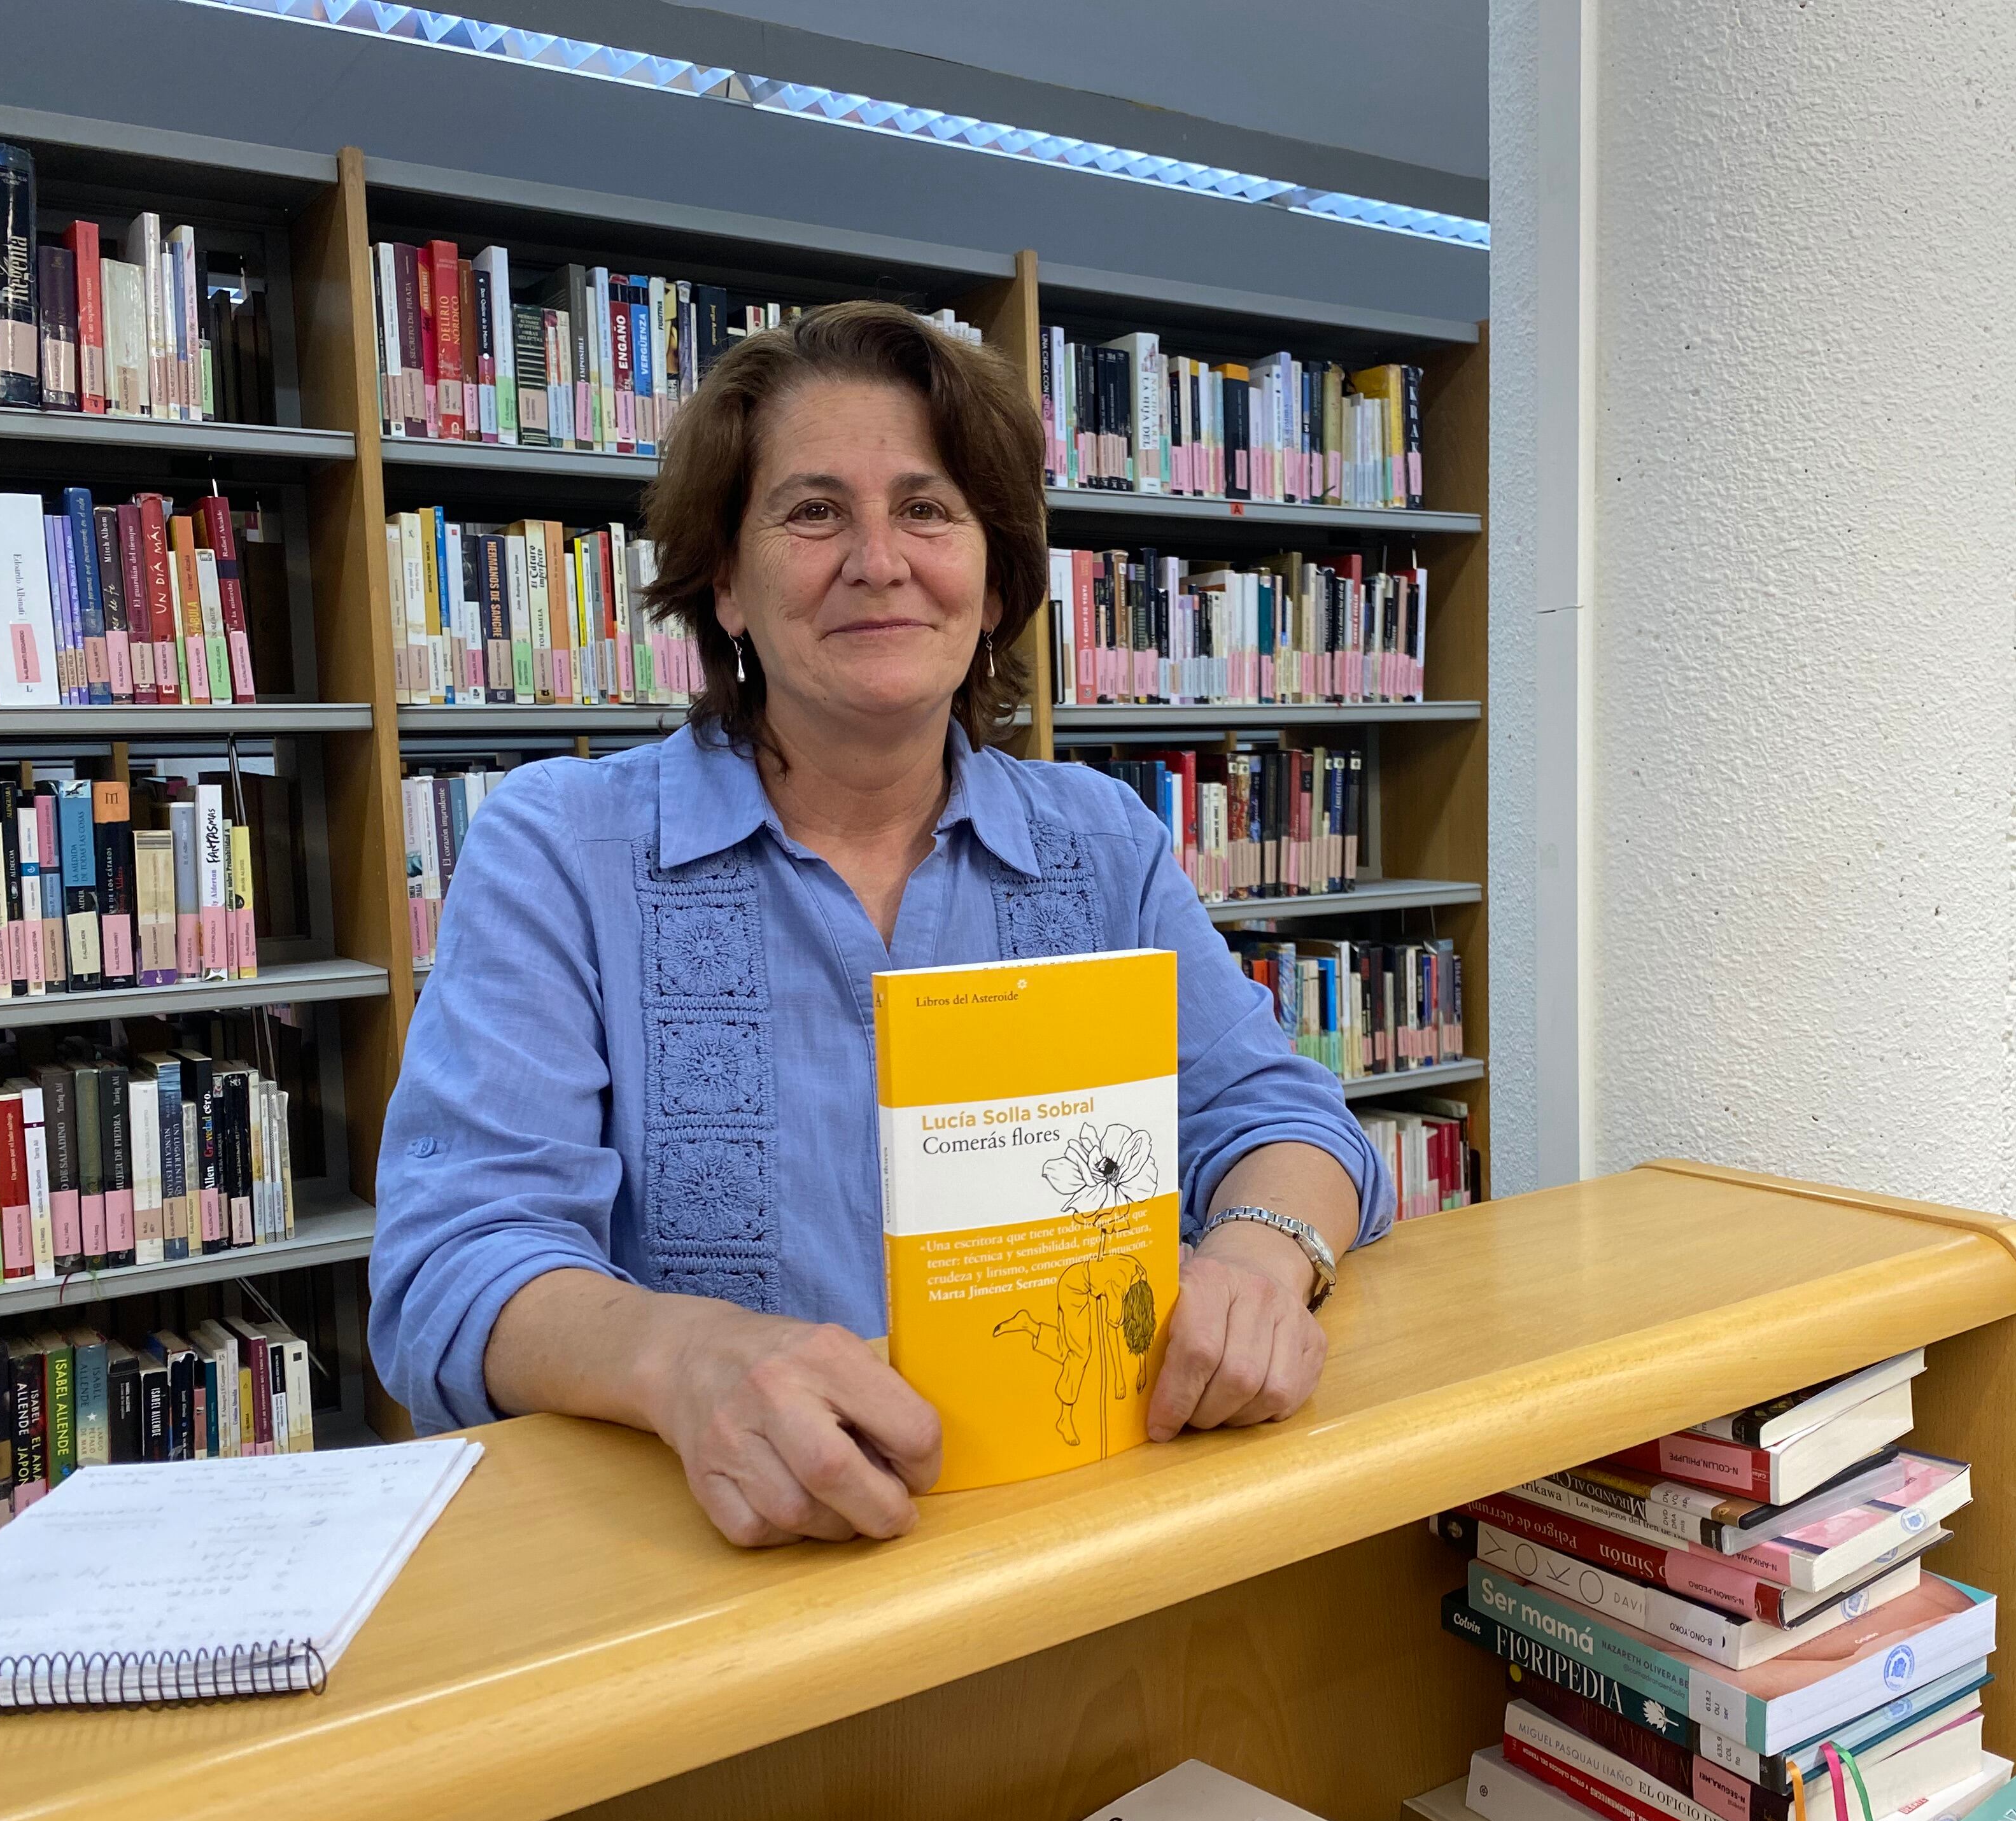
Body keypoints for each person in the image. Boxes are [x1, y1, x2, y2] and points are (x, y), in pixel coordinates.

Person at [368, 302, 1394, 1548]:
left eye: (927, 509)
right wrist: (684, 1359)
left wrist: (1258, 1261)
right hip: (739, 1566)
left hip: (1095, 1526)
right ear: (726, 585)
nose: (878, 559)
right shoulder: (561, 851)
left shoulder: (1100, 841)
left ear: (995, 579)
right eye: (813, 513)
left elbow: (1282, 1119)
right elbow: (454, 1261)